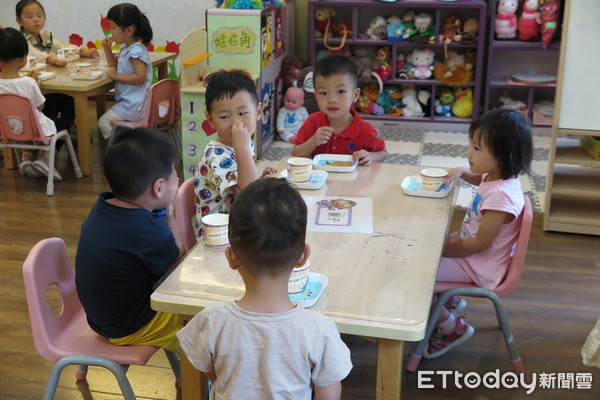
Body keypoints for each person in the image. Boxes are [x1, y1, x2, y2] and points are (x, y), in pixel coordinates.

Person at [178, 178, 353, 399]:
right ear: (303, 256)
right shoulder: (320, 330)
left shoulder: (212, 320)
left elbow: (213, 374)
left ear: (231, 257)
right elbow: (328, 396)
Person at [425, 109, 533, 358]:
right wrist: (464, 173)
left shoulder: (502, 197)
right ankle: (447, 302)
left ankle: (451, 327)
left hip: (478, 264)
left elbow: (478, 244)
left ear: (504, 156)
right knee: (424, 258)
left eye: (476, 148)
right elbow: (480, 179)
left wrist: (438, 247)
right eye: (470, 145)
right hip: (473, 256)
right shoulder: (496, 176)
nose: (468, 152)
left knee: (418, 273)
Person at [75, 128, 183, 354]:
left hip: (102, 317)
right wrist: (171, 216)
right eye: (174, 174)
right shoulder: (143, 230)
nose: (178, 178)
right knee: (198, 319)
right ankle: (193, 383)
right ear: (159, 187)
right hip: (129, 326)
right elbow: (178, 264)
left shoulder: (104, 206)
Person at [193, 69, 274, 241]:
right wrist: (242, 148)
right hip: (220, 236)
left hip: (241, 223)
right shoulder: (216, 156)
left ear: (258, 112)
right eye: (224, 116)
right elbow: (249, 194)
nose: (235, 123)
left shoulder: (242, 142)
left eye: (242, 113)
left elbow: (246, 183)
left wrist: (260, 179)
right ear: (210, 120)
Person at [292, 55, 387, 166]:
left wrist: (371, 156)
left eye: (341, 91)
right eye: (323, 93)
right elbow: (295, 153)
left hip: (353, 182)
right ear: (316, 96)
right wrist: (313, 142)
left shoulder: (365, 130)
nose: (332, 100)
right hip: (320, 181)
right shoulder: (313, 122)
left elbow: (383, 153)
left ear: (355, 94)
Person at [0, 26, 63, 180]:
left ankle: (26, 157)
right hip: (33, 129)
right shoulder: (28, 82)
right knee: (59, 125)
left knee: (23, 122)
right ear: (23, 58)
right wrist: (37, 87)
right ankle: (44, 158)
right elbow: (40, 106)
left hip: (9, 130)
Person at [97, 3, 153, 140]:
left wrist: (117, 77)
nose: (111, 31)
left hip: (134, 106)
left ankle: (119, 149)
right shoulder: (126, 48)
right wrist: (106, 48)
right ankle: (124, 144)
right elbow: (113, 65)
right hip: (130, 103)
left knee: (103, 122)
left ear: (129, 31)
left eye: (114, 27)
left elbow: (140, 77)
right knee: (108, 122)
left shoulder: (136, 51)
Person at [15, 0, 98, 67]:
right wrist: (52, 60)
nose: (36, 19)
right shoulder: (20, 40)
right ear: (19, 21)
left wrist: (83, 52)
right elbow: (35, 55)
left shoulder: (45, 36)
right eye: (29, 17)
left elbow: (61, 48)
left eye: (39, 15)